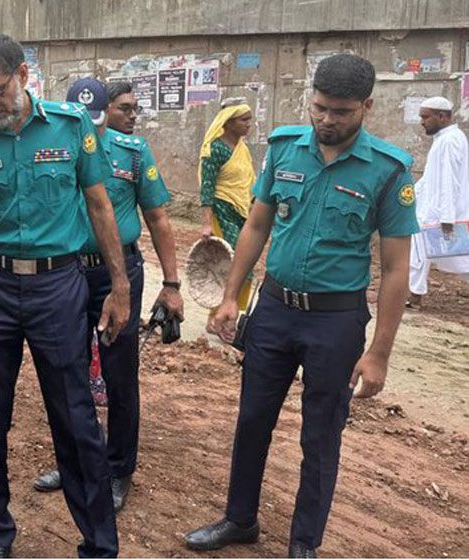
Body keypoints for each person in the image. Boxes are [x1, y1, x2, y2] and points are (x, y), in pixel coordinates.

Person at [184, 53, 418, 558]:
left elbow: (397, 269)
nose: (327, 120)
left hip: (336, 322)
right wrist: (231, 296)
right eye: (319, 108)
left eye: (341, 112)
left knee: (320, 436)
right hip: (273, 310)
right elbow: (257, 225)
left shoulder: (388, 170)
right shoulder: (284, 149)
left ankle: (303, 544)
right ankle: (239, 519)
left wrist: (379, 353)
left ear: (366, 107)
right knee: (252, 421)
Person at [0, 34, 130, 557]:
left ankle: (98, 542)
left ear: (22, 74)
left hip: (58, 286)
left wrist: (120, 286)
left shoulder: (70, 126)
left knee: (75, 415)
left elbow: (100, 206)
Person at [32, 78, 184, 512]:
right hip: (62, 276)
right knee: (67, 372)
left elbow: (157, 218)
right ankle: (77, 459)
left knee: (118, 374)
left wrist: (171, 284)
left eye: (96, 122)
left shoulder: (132, 153)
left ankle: (118, 469)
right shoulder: (51, 149)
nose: (89, 130)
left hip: (116, 277)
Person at [407, 96, 469, 307]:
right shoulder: (443, 139)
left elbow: (449, 179)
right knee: (421, 252)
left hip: (440, 213)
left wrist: (447, 217)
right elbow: (432, 177)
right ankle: (414, 295)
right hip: (431, 210)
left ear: (442, 117)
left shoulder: (450, 140)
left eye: (425, 117)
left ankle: (415, 295)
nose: (422, 122)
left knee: (459, 258)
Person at [199, 98, 256, 314]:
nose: (248, 124)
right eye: (244, 120)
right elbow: (207, 188)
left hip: (241, 213)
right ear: (229, 122)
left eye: (249, 119)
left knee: (246, 264)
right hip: (222, 213)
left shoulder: (242, 149)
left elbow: (248, 182)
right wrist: (206, 224)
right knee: (234, 265)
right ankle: (218, 315)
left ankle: (229, 312)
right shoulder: (216, 150)